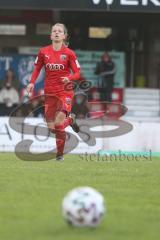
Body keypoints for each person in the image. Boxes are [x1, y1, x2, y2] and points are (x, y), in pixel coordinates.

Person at [27, 23, 81, 161]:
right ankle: (71, 120)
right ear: (50, 35)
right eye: (54, 31)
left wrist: (68, 77)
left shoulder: (69, 53)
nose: (56, 33)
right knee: (52, 128)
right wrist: (32, 83)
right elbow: (37, 69)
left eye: (59, 31)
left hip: (65, 92)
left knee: (58, 123)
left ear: (64, 36)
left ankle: (59, 155)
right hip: (50, 93)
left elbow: (77, 73)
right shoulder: (43, 51)